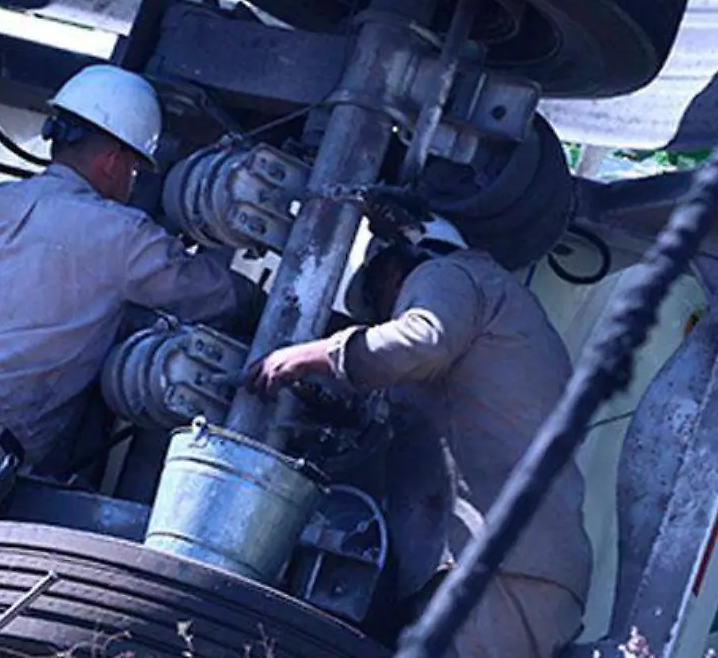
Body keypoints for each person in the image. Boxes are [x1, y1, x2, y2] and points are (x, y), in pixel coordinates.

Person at [0, 64, 247, 578]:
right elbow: (205, 295)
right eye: (134, 169)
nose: (132, 182)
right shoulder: (118, 233)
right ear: (109, 159)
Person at [248, 217, 593, 658]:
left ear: (392, 269)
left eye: (377, 303)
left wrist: (309, 356)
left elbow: (421, 339)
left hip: (490, 573)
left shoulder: (447, 275)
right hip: (527, 570)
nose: (384, 316)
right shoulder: (509, 313)